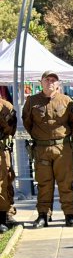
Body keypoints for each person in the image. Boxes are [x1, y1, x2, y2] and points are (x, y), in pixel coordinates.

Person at [23, 70, 73, 227]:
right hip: (41, 149)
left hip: (63, 148)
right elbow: (27, 122)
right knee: (43, 182)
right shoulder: (32, 101)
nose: (50, 83)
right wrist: (40, 137)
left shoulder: (67, 101)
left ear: (58, 84)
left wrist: (63, 138)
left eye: (54, 80)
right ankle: (43, 215)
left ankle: (69, 215)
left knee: (66, 182)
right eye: (47, 80)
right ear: (41, 82)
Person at [0, 95, 16, 233]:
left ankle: (3, 217)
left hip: (1, 150)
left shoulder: (6, 107)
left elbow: (11, 129)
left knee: (3, 183)